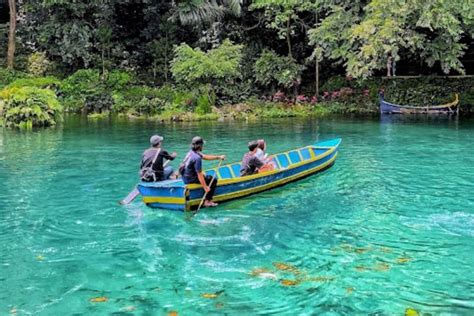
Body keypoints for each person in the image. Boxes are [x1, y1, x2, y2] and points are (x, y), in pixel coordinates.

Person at [182, 136, 225, 207]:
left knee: (204, 174)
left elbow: (205, 156)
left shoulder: (191, 152)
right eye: (202, 145)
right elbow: (199, 174)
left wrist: (218, 157)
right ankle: (207, 201)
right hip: (191, 179)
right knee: (212, 179)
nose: (203, 146)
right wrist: (205, 187)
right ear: (200, 146)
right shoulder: (197, 158)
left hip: (185, 178)